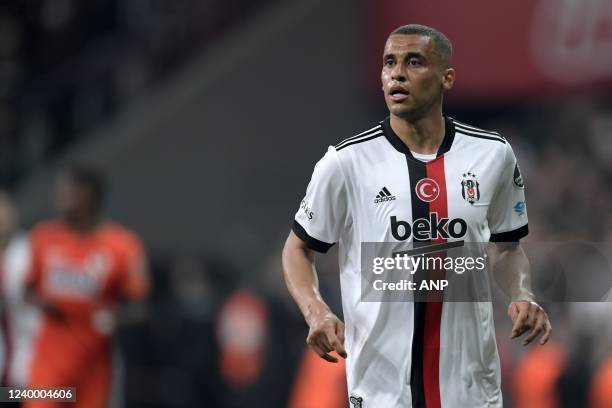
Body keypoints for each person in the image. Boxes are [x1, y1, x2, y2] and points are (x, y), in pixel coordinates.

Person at [282, 24, 552, 407]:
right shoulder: (345, 163)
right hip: (382, 393)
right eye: (389, 63)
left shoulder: (493, 155)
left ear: (447, 77)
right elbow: (298, 249)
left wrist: (521, 293)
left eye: (414, 62)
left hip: (471, 390)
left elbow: (508, 247)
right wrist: (316, 312)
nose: (398, 73)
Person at [24, 164, 150, 408]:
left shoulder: (123, 246)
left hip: (94, 365)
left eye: (68, 192)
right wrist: (41, 302)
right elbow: (27, 289)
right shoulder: (43, 238)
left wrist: (115, 317)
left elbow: (141, 307)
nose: (60, 199)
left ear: (89, 196)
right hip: (50, 363)